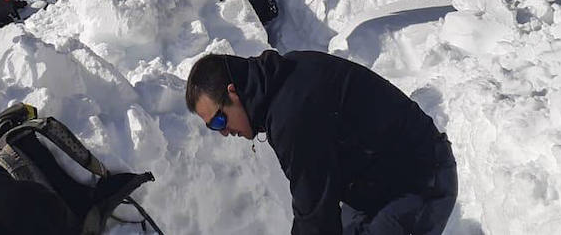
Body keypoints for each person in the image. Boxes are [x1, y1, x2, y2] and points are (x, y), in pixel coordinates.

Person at [186, 50, 456, 235]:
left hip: (420, 180)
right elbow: (313, 202)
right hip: (378, 182)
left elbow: (315, 212)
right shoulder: (278, 83)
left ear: (233, 93)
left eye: (219, 121)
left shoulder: (291, 114)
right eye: (212, 127)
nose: (222, 132)